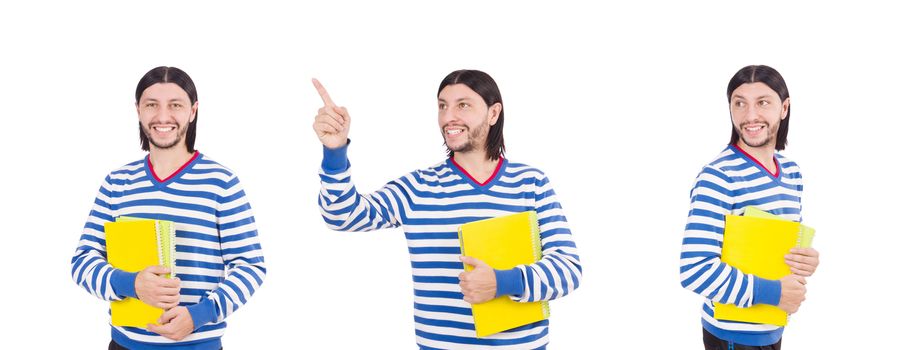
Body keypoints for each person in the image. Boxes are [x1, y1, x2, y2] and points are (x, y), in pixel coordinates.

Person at [313, 70, 582, 349]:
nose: (448, 117)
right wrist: (335, 152)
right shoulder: (418, 187)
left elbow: (568, 269)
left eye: (463, 105)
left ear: (493, 113)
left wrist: (502, 282)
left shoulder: (531, 183)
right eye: (442, 106)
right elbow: (342, 215)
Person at [70, 66, 266, 349]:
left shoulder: (222, 183)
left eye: (175, 105)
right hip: (124, 344)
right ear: (138, 110)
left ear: (193, 111)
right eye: (152, 105)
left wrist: (199, 315)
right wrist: (131, 284)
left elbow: (251, 266)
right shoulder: (116, 182)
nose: (163, 117)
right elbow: (83, 261)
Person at [679, 65, 820, 349]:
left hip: (774, 328)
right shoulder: (719, 176)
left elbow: (780, 250)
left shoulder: (791, 172)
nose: (750, 115)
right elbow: (694, 270)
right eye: (739, 103)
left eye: (763, 103)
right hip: (732, 338)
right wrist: (775, 292)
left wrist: (805, 260)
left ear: (785, 108)